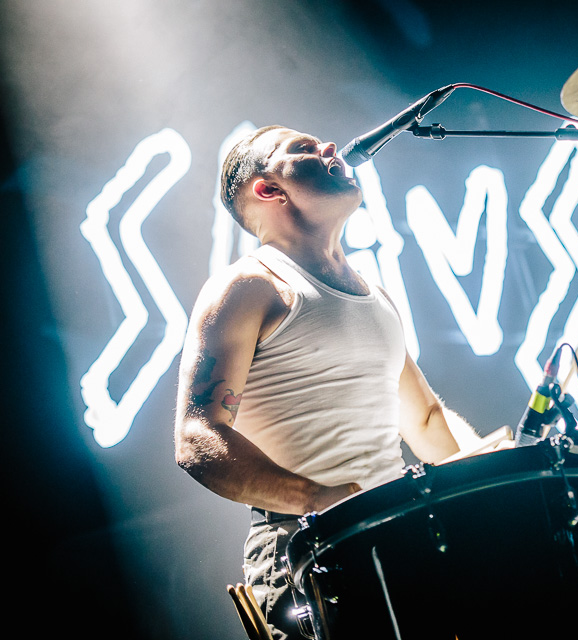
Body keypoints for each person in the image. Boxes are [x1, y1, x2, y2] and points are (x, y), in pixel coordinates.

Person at [174, 124, 480, 639]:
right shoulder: (250, 286)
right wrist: (315, 499)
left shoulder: (376, 295)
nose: (330, 148)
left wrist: (492, 467)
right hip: (308, 546)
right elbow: (196, 436)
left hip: (401, 529)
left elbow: (426, 419)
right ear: (268, 189)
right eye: (304, 149)